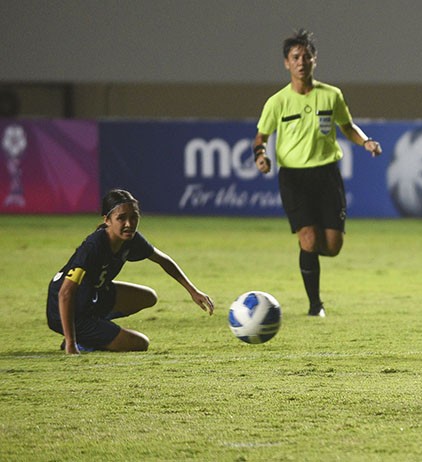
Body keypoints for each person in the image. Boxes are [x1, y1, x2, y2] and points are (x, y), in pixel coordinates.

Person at [252, 29, 382, 317]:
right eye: (295, 57)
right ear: (286, 63)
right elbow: (260, 137)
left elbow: (347, 126)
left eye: (306, 56)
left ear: (314, 60)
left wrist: (366, 142)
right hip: (293, 178)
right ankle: (315, 306)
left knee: (333, 246)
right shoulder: (277, 102)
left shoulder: (331, 95)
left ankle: (306, 253)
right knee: (309, 238)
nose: (301, 62)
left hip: (326, 176)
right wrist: (261, 156)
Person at [47, 189, 214, 355]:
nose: (129, 224)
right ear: (107, 220)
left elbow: (163, 260)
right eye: (121, 218)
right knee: (140, 343)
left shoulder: (131, 239)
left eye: (134, 217)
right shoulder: (94, 247)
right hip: (65, 310)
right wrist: (71, 344)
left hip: (92, 297)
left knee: (148, 297)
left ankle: (92, 332)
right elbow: (65, 293)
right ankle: (80, 340)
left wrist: (193, 291)